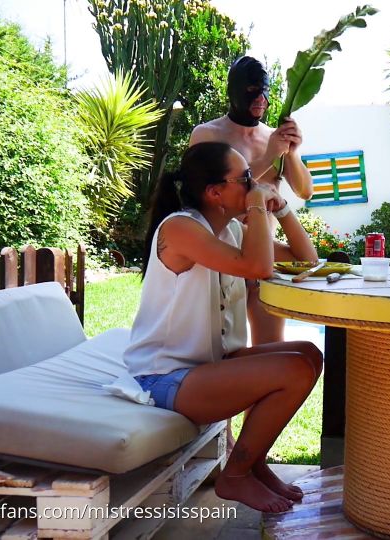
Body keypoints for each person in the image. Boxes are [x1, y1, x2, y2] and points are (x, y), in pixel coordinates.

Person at [124, 142, 322, 514]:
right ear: (215, 192)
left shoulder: (229, 229)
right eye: (244, 178)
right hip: (162, 377)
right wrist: (257, 206)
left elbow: (306, 260)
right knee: (293, 369)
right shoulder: (180, 228)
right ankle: (236, 475)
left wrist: (282, 208)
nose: (253, 184)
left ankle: (254, 464)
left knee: (308, 355)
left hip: (205, 367)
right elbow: (258, 268)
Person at [189, 56, 314, 346]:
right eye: (252, 90)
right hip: (222, 251)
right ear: (234, 91)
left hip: (264, 253)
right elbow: (207, 192)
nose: (260, 99)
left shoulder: (273, 136)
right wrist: (269, 156)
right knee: (217, 346)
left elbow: (305, 191)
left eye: (265, 91)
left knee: (270, 347)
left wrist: (292, 152)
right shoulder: (208, 134)